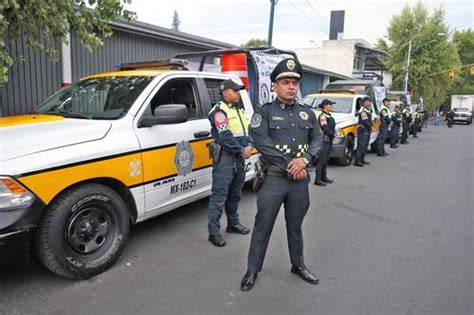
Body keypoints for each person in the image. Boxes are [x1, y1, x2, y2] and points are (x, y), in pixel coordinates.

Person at [240, 58, 322, 291]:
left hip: (299, 182)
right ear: (274, 86)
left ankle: (298, 265)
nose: (291, 86)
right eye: (285, 82)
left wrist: (305, 160)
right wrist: (292, 164)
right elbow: (262, 142)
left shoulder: (308, 114)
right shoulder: (264, 113)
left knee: (295, 226)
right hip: (274, 179)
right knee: (262, 227)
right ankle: (252, 270)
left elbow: (317, 139)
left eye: (295, 82)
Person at [206, 78, 252, 247]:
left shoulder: (239, 110)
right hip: (225, 157)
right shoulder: (219, 112)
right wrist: (242, 149)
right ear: (226, 93)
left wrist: (249, 145)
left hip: (239, 157)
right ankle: (214, 232)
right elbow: (225, 136)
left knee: (235, 193)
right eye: (236, 91)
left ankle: (233, 224)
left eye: (239, 91)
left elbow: (248, 131)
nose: (239, 93)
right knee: (219, 195)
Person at [314, 99, 336, 186]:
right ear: (325, 106)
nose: (332, 106)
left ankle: (324, 177)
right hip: (324, 140)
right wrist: (332, 135)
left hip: (329, 140)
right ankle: (317, 179)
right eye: (330, 105)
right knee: (321, 160)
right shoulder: (323, 116)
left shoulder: (329, 116)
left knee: (326, 160)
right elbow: (325, 128)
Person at [354, 96, 373, 167]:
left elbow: (369, 121)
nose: (369, 103)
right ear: (363, 103)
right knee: (361, 145)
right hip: (363, 129)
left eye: (369, 102)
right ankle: (357, 161)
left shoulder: (367, 110)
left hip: (367, 129)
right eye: (367, 102)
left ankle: (362, 159)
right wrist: (371, 127)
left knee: (365, 145)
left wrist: (371, 126)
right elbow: (365, 121)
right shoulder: (363, 111)